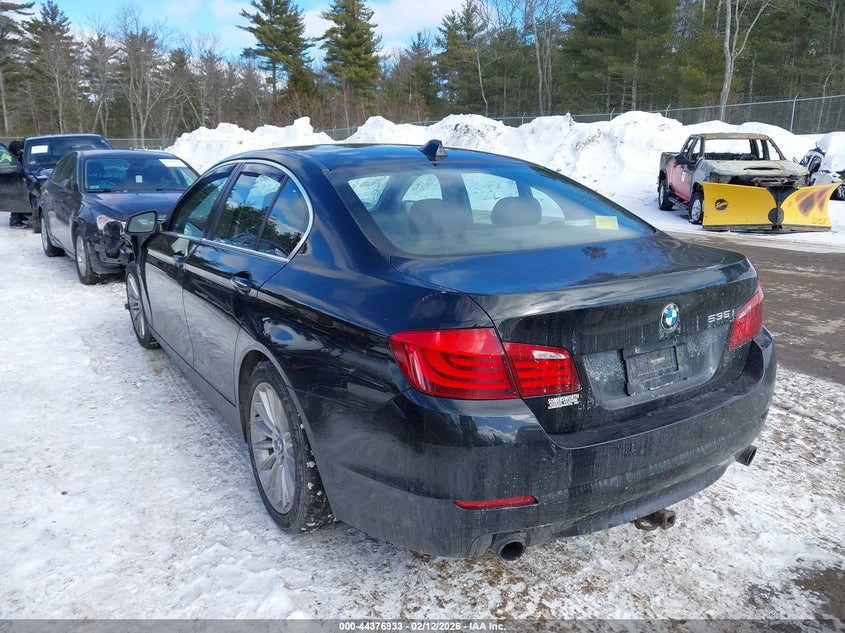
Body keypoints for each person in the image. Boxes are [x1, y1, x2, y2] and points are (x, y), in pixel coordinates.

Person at [7, 139, 26, 227]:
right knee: (18, 201)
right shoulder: (11, 158)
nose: (20, 151)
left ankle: (18, 219)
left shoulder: (15, 157)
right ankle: (14, 221)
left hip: (17, 182)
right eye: (19, 149)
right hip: (14, 183)